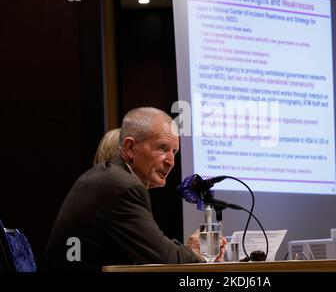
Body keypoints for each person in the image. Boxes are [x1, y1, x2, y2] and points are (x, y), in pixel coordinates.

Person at [42, 107, 225, 271]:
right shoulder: (123, 187)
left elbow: (150, 253)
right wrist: (194, 251)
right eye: (162, 148)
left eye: (174, 152)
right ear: (130, 147)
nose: (171, 162)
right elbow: (165, 259)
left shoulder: (109, 177)